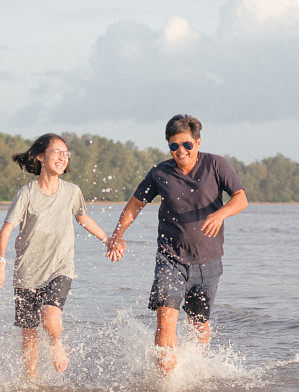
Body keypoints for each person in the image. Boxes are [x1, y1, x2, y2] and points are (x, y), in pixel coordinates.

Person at [106, 114, 248, 373]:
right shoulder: (160, 173)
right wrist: (118, 234)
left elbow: (240, 199)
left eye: (186, 145)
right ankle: (167, 381)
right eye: (173, 146)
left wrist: (220, 214)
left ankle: (194, 373)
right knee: (165, 316)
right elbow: (135, 205)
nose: (180, 151)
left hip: (209, 262)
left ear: (198, 143)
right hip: (170, 258)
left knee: (199, 324)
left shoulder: (217, 165)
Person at [0, 133, 111, 380]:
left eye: (66, 154)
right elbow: (5, 232)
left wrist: (108, 240)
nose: (63, 158)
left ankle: (56, 344)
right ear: (40, 157)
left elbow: (83, 218)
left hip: (59, 267)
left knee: (50, 316)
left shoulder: (72, 192)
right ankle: (31, 382)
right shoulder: (26, 193)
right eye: (57, 152)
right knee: (29, 334)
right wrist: (0, 264)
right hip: (26, 273)